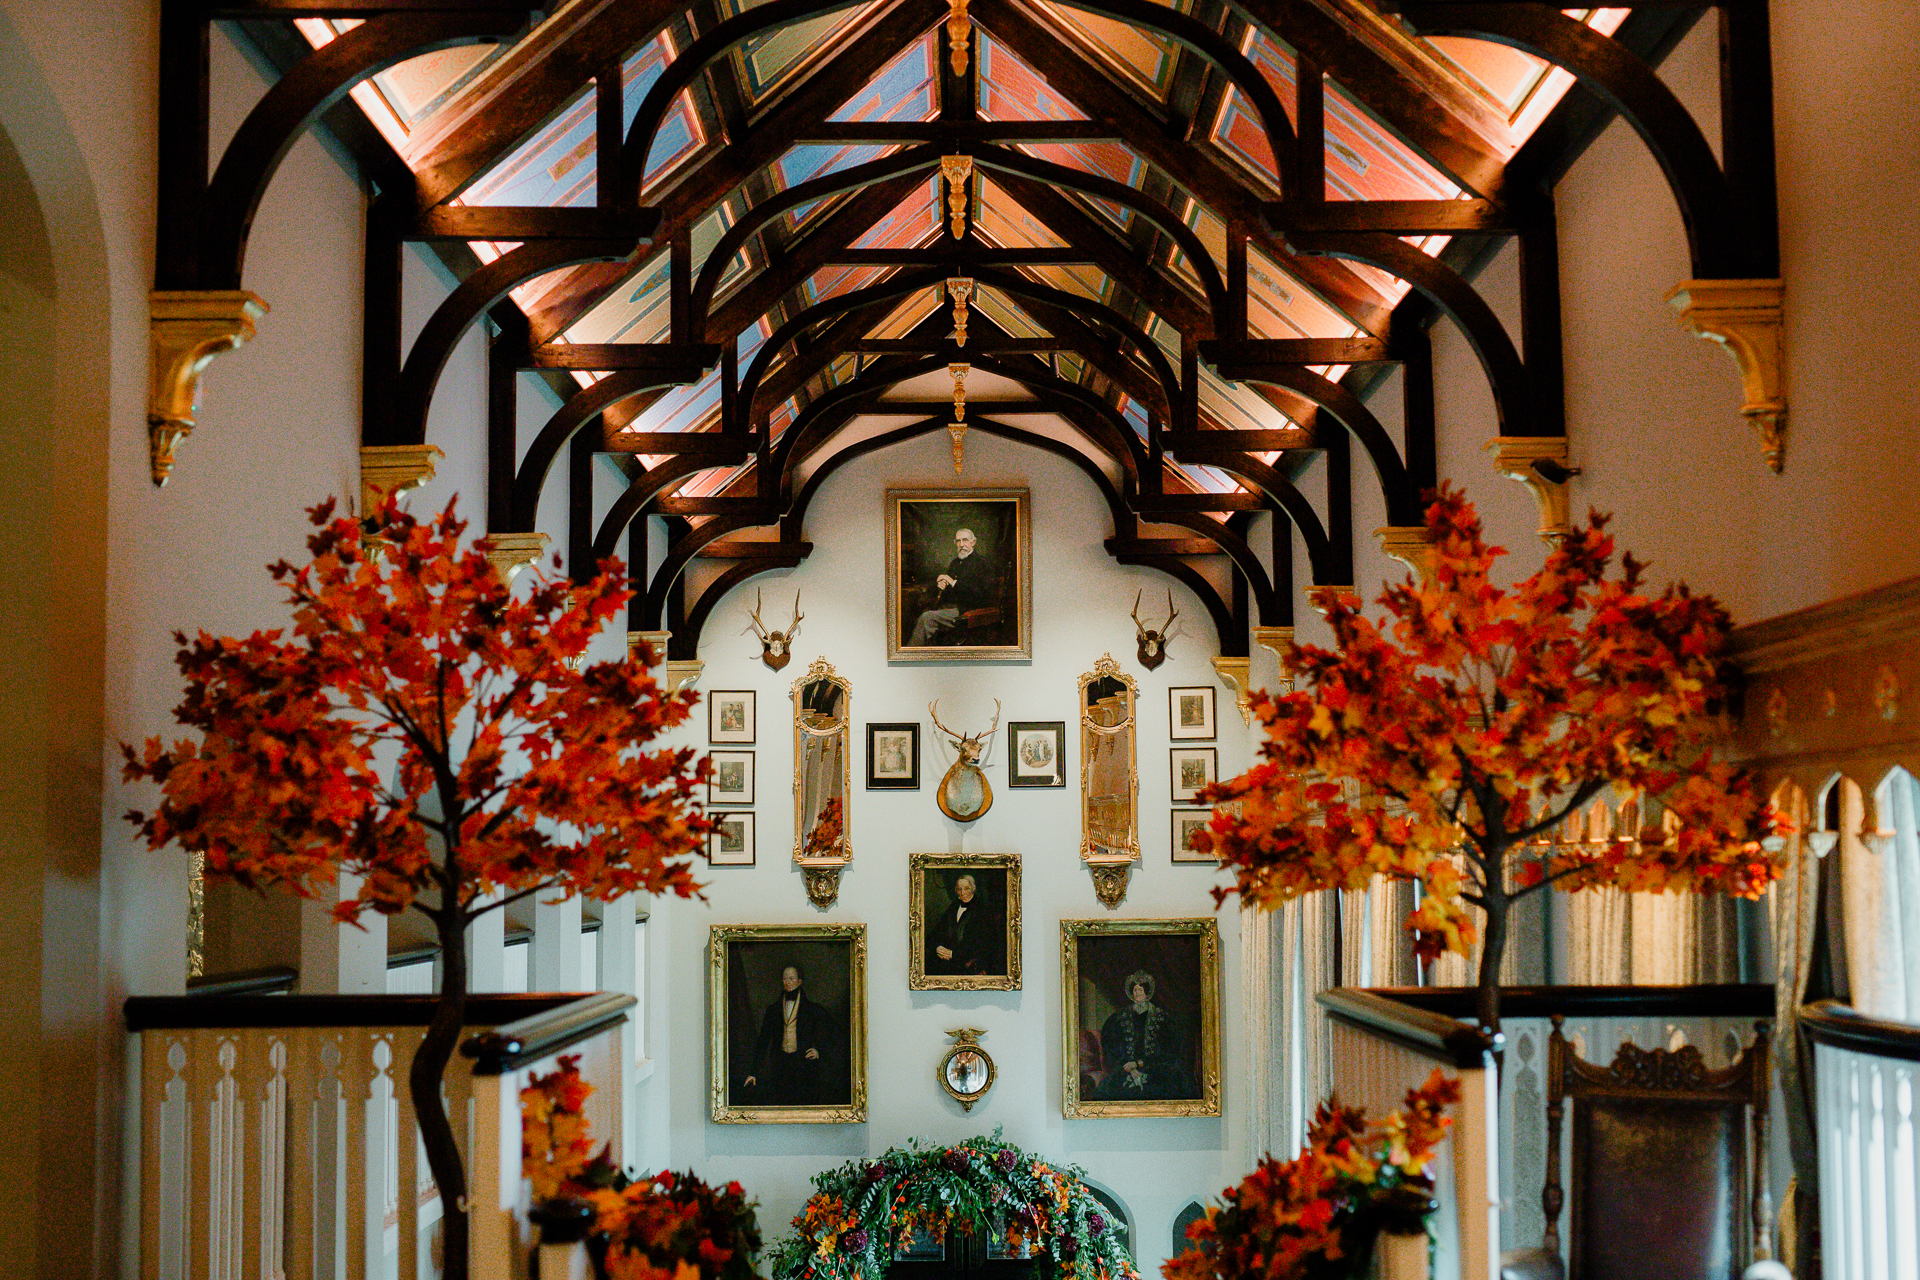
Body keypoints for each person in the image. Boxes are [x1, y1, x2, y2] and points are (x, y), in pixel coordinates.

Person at [742, 963, 833, 1105]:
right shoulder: (773, 1010)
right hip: (780, 1066)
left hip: (804, 1066)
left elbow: (830, 1033)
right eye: (785, 979)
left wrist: (818, 1050)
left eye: (791, 978)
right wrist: (753, 1072)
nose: (787, 982)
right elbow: (763, 1041)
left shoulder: (813, 1009)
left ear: (799, 981)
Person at [1095, 970, 1188, 1100]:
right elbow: (1111, 1047)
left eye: (1140, 990)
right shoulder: (1119, 1018)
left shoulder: (1162, 1018)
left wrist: (1139, 1064)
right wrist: (1131, 1068)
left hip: (1156, 1068)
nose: (1137, 993)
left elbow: (1171, 1050)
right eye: (1135, 990)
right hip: (1126, 1068)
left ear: (1147, 992)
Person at [906, 527, 997, 646]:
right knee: (919, 611)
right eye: (958, 541)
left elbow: (979, 593)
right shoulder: (955, 563)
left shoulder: (983, 564)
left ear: (973, 542)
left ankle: (912, 655)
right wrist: (941, 585)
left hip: (967, 609)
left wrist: (952, 582)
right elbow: (949, 590)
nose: (961, 544)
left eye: (965, 540)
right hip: (949, 606)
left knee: (926, 618)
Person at [926, 873, 1002, 976]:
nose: (962, 893)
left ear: (973, 889)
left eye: (966, 888)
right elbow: (936, 932)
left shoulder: (983, 910)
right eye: (959, 889)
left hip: (970, 964)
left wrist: (954, 954)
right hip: (947, 962)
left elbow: (983, 944)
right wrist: (938, 947)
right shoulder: (952, 908)